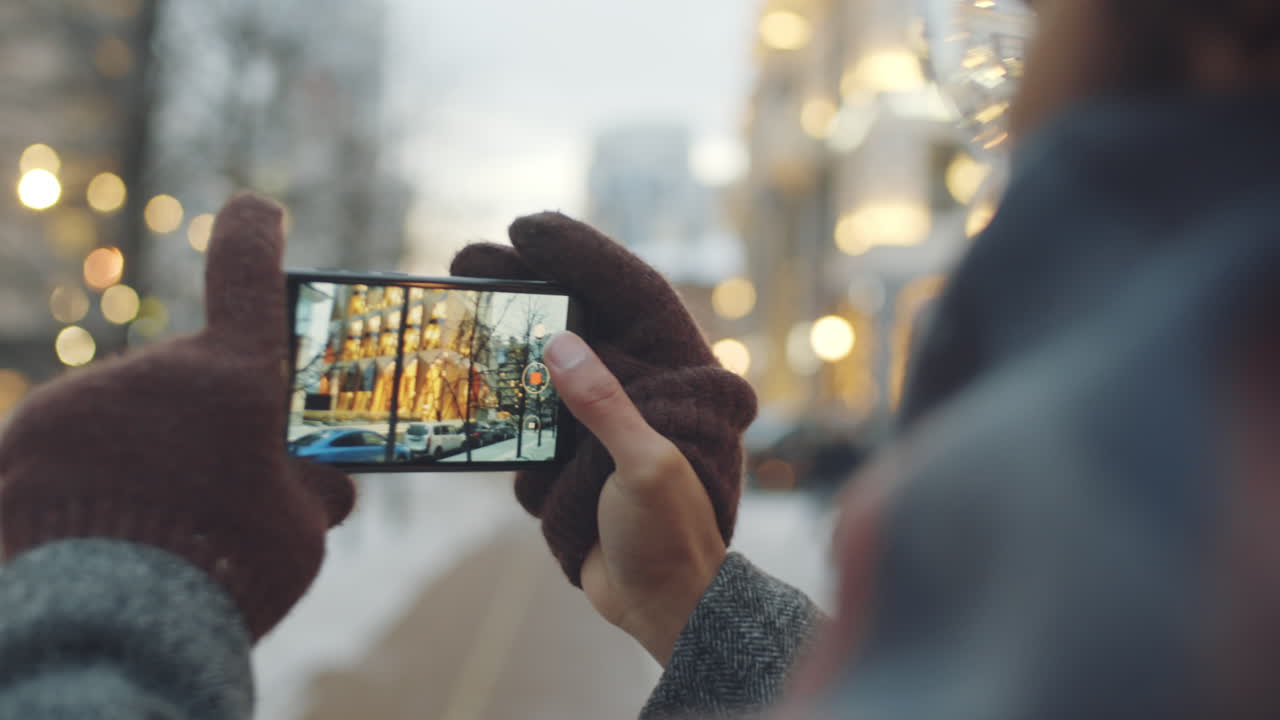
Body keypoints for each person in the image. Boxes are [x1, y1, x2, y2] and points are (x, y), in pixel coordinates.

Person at [2, 0, 1280, 717]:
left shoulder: (1180, 503)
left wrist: (117, 572)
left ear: (1186, 34)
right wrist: (694, 601)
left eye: (1012, 22)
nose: (992, 72)